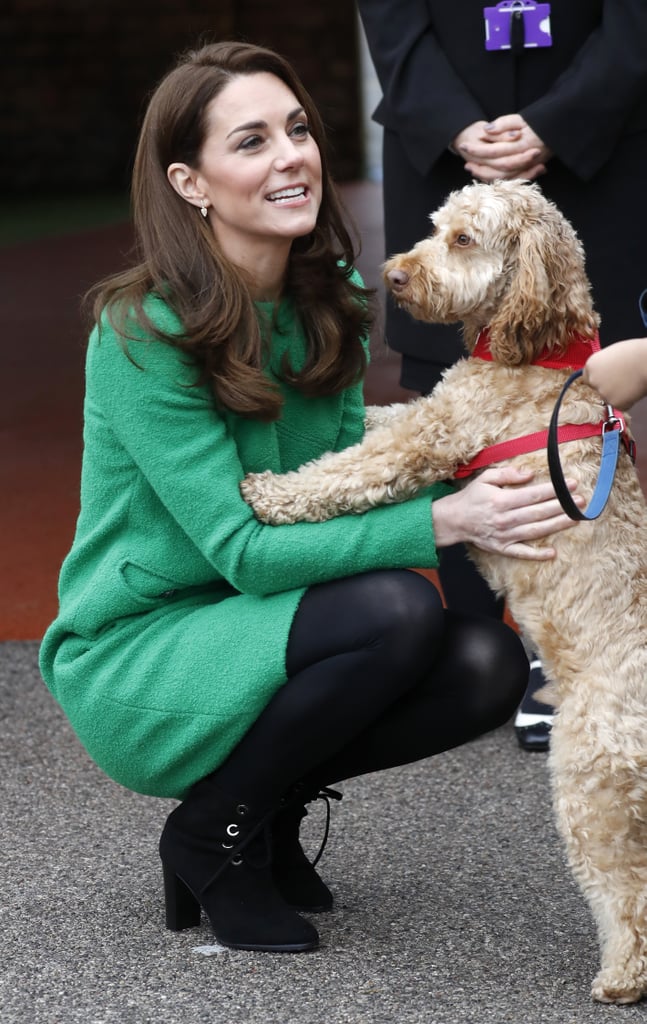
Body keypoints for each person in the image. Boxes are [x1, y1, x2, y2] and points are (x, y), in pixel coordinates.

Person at [39, 41, 583, 954]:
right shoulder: (142, 334)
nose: (290, 155)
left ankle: (260, 811)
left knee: (483, 665)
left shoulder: (326, 293)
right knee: (398, 606)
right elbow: (244, 552)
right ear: (191, 181)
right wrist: (446, 515)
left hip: (264, 623)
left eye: (295, 129)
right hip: (144, 650)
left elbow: (334, 489)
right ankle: (211, 833)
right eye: (249, 142)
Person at [356, 0, 647, 750]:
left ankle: (576, 656)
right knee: (451, 386)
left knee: (589, 381)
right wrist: (448, 118)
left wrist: (567, 116)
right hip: (446, 139)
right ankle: (465, 647)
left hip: (596, 135)